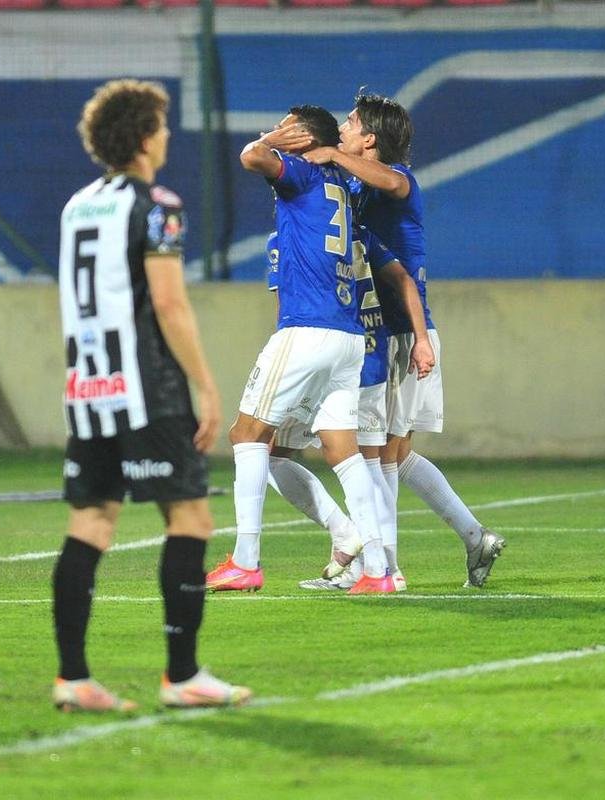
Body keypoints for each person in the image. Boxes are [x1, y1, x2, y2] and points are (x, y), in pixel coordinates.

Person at [52, 79, 251, 712]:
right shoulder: (157, 203)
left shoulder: (78, 205)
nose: (167, 136)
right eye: (161, 126)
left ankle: (74, 678)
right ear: (143, 137)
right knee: (190, 518)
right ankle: (183, 674)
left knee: (91, 523)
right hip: (148, 388)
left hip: (89, 385)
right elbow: (167, 301)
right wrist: (207, 384)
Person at [305, 91, 505, 588]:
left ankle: (384, 567)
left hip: (400, 335)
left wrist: (332, 154)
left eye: (351, 123)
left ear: (369, 138)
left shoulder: (397, 181)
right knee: (393, 454)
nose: (343, 127)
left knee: (379, 453)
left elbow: (393, 180)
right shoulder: (359, 188)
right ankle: (471, 536)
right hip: (382, 333)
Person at [205, 106, 402, 595]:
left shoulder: (304, 172)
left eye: (290, 124)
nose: (281, 130)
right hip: (349, 336)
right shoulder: (343, 185)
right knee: (344, 451)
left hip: (307, 328)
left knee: (248, 435)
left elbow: (252, 156)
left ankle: (246, 560)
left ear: (301, 137)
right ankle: (376, 567)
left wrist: (274, 138)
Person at [261, 224, 434, 592]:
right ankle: (385, 568)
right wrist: (419, 339)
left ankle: (353, 542)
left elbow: (287, 308)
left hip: (320, 356)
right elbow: (404, 280)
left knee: (264, 450)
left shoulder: (289, 236)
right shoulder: (362, 235)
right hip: (369, 354)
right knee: (369, 464)